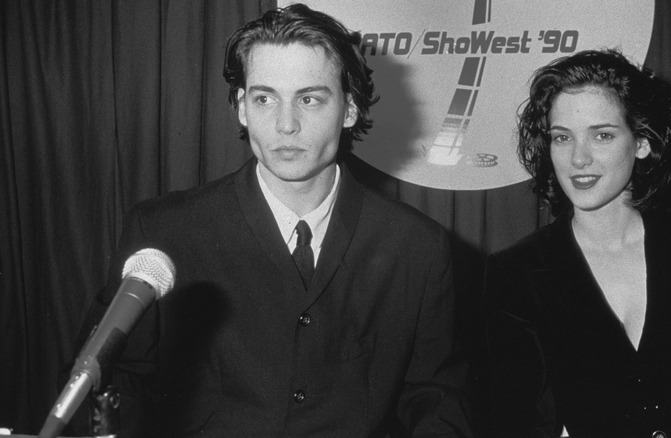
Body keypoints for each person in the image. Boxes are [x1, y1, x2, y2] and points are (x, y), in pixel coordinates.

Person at [78, 4, 473, 437]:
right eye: (264, 98)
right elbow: (111, 381)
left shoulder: (418, 247)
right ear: (242, 108)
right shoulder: (162, 232)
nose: (286, 125)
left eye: (309, 99)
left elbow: (437, 402)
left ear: (350, 109)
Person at [483, 49, 671, 437]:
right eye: (562, 138)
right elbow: (523, 423)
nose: (578, 158)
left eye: (603, 135)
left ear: (642, 142)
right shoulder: (515, 273)